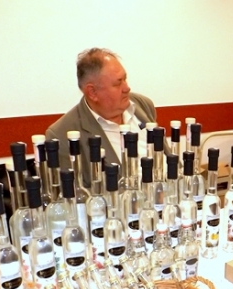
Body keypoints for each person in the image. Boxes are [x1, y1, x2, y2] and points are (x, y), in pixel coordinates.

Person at [45, 48, 160, 186]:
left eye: (125, 79)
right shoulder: (62, 134)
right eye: (118, 83)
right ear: (92, 92)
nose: (127, 88)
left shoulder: (142, 104)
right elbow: (71, 194)